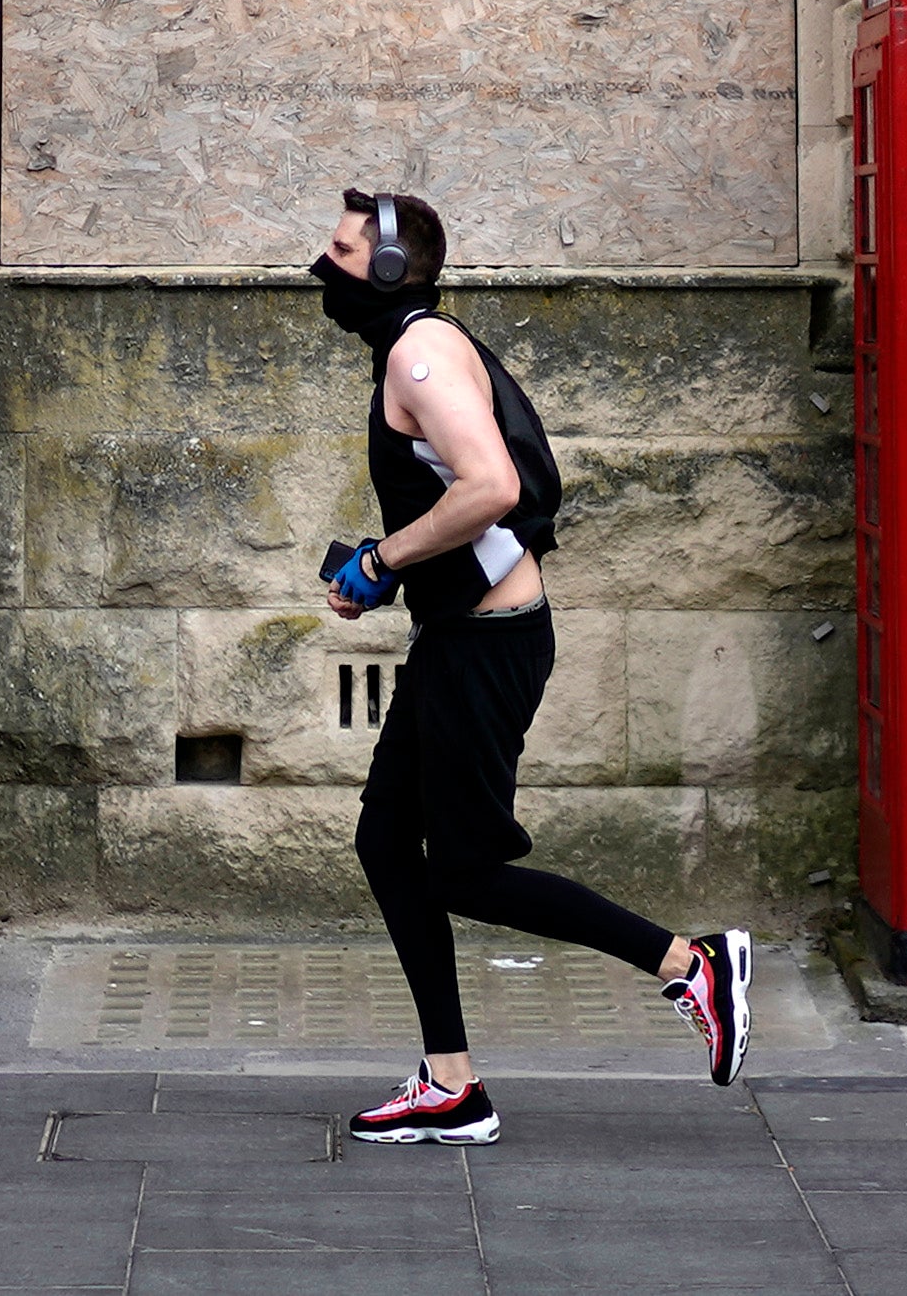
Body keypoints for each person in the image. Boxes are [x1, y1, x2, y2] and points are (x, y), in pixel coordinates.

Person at [306, 185, 751, 1144]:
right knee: (387, 841)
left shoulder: (419, 354)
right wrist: (383, 571)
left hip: (484, 646)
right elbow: (466, 500)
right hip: (459, 634)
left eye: (340, 250)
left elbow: (493, 487)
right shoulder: (420, 343)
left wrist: (381, 560)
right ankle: (451, 1084)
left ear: (387, 268)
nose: (321, 265)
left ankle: (687, 963)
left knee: (463, 871)